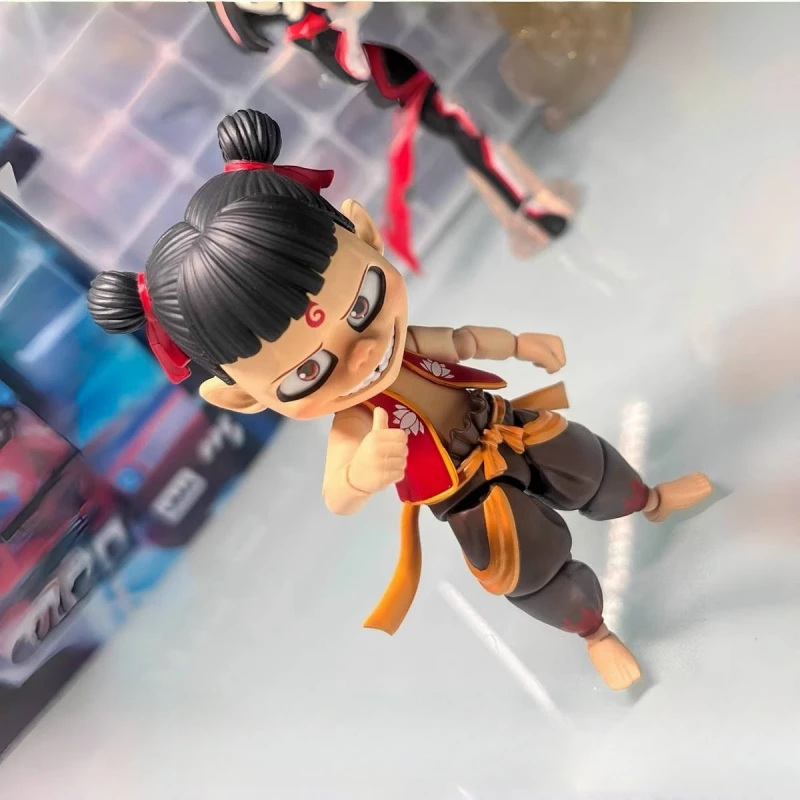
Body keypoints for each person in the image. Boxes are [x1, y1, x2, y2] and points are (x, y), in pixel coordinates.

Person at [87, 109, 712, 691]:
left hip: (505, 424)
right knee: (533, 568)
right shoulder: (356, 420)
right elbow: (337, 493)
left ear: (366, 236)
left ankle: (650, 501)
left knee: (592, 466)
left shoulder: (406, 346)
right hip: (468, 496)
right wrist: (362, 471)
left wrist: (519, 344)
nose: (361, 355)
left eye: (362, 304)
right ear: (242, 398)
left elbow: (461, 340)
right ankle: (595, 633)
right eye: (310, 372)